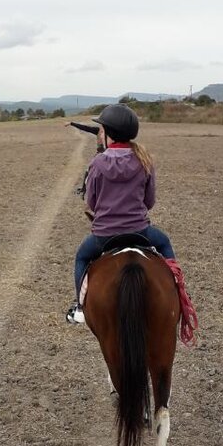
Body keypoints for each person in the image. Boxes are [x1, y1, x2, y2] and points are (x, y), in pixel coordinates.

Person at [66, 103, 175, 324]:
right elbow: (149, 201)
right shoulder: (144, 159)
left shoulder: (97, 163)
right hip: (140, 231)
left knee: (82, 257)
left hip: (104, 235)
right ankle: (180, 294)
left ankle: (79, 307)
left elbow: (92, 202)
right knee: (164, 244)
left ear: (109, 135)